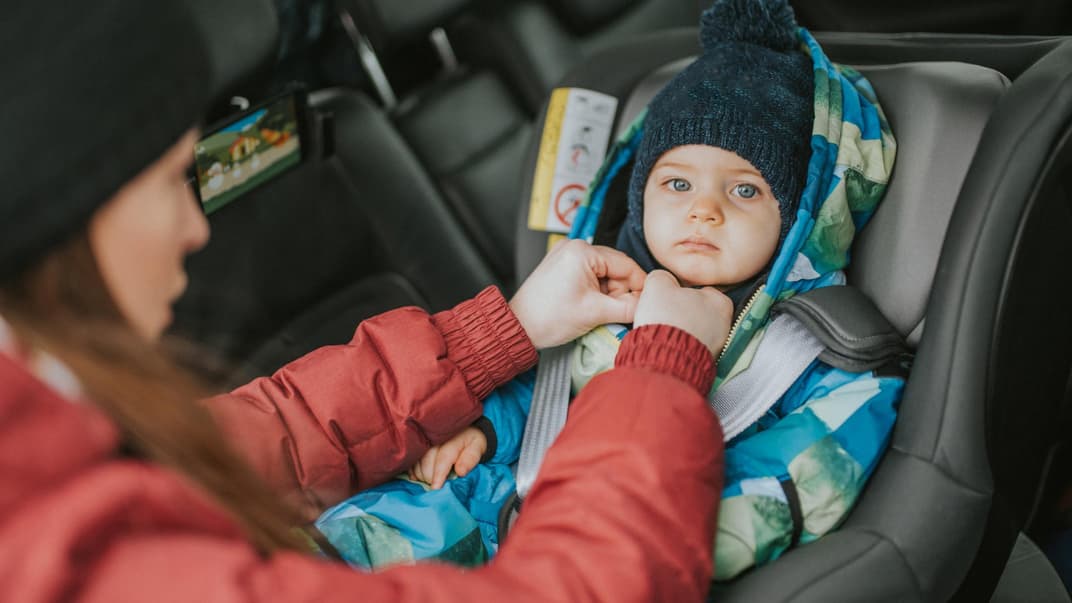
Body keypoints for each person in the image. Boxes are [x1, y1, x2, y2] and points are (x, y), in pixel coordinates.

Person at [0, 2, 732, 601]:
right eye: (170, 181)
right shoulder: (87, 569)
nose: (196, 228)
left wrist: (497, 334)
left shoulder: (40, 443)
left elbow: (261, 437)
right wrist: (660, 373)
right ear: (67, 222)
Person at [320, 0, 904, 583]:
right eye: (677, 183)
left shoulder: (819, 354)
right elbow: (545, 383)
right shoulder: (603, 301)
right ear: (639, 196)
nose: (704, 210)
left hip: (637, 538)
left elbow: (794, 479)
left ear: (802, 214)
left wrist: (670, 520)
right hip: (501, 506)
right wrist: (487, 429)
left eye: (746, 191)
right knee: (340, 549)